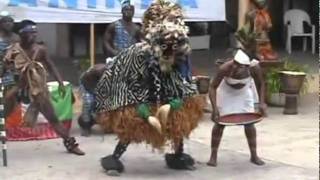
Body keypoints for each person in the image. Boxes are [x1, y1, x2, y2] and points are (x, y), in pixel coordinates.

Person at [96, 0, 205, 176]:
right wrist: (141, 106)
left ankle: (177, 155)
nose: (169, 52)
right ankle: (114, 158)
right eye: (164, 47)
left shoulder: (181, 55)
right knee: (131, 122)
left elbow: (184, 80)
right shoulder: (137, 54)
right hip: (139, 92)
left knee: (178, 120)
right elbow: (128, 81)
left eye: (174, 47)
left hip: (168, 92)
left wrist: (177, 100)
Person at [3, 20, 85, 155]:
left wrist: (59, 82)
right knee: (3, 114)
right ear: (22, 34)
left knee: (53, 118)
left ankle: (70, 144)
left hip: (37, 89)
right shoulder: (14, 51)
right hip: (17, 87)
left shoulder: (40, 50)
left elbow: (51, 66)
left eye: (35, 33)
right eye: (30, 33)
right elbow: (5, 67)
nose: (34, 36)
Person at [207, 49, 267, 167]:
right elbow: (212, 87)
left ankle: (254, 155)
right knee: (219, 123)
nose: (235, 67)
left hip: (244, 93)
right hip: (226, 92)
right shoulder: (224, 68)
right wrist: (215, 109)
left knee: (249, 124)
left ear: (246, 67)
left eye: (239, 66)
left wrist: (262, 102)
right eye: (234, 64)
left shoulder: (254, 68)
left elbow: (261, 84)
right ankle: (213, 156)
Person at [77, 64, 107, 136]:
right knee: (88, 102)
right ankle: (86, 126)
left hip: (99, 84)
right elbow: (90, 87)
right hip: (87, 84)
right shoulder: (96, 71)